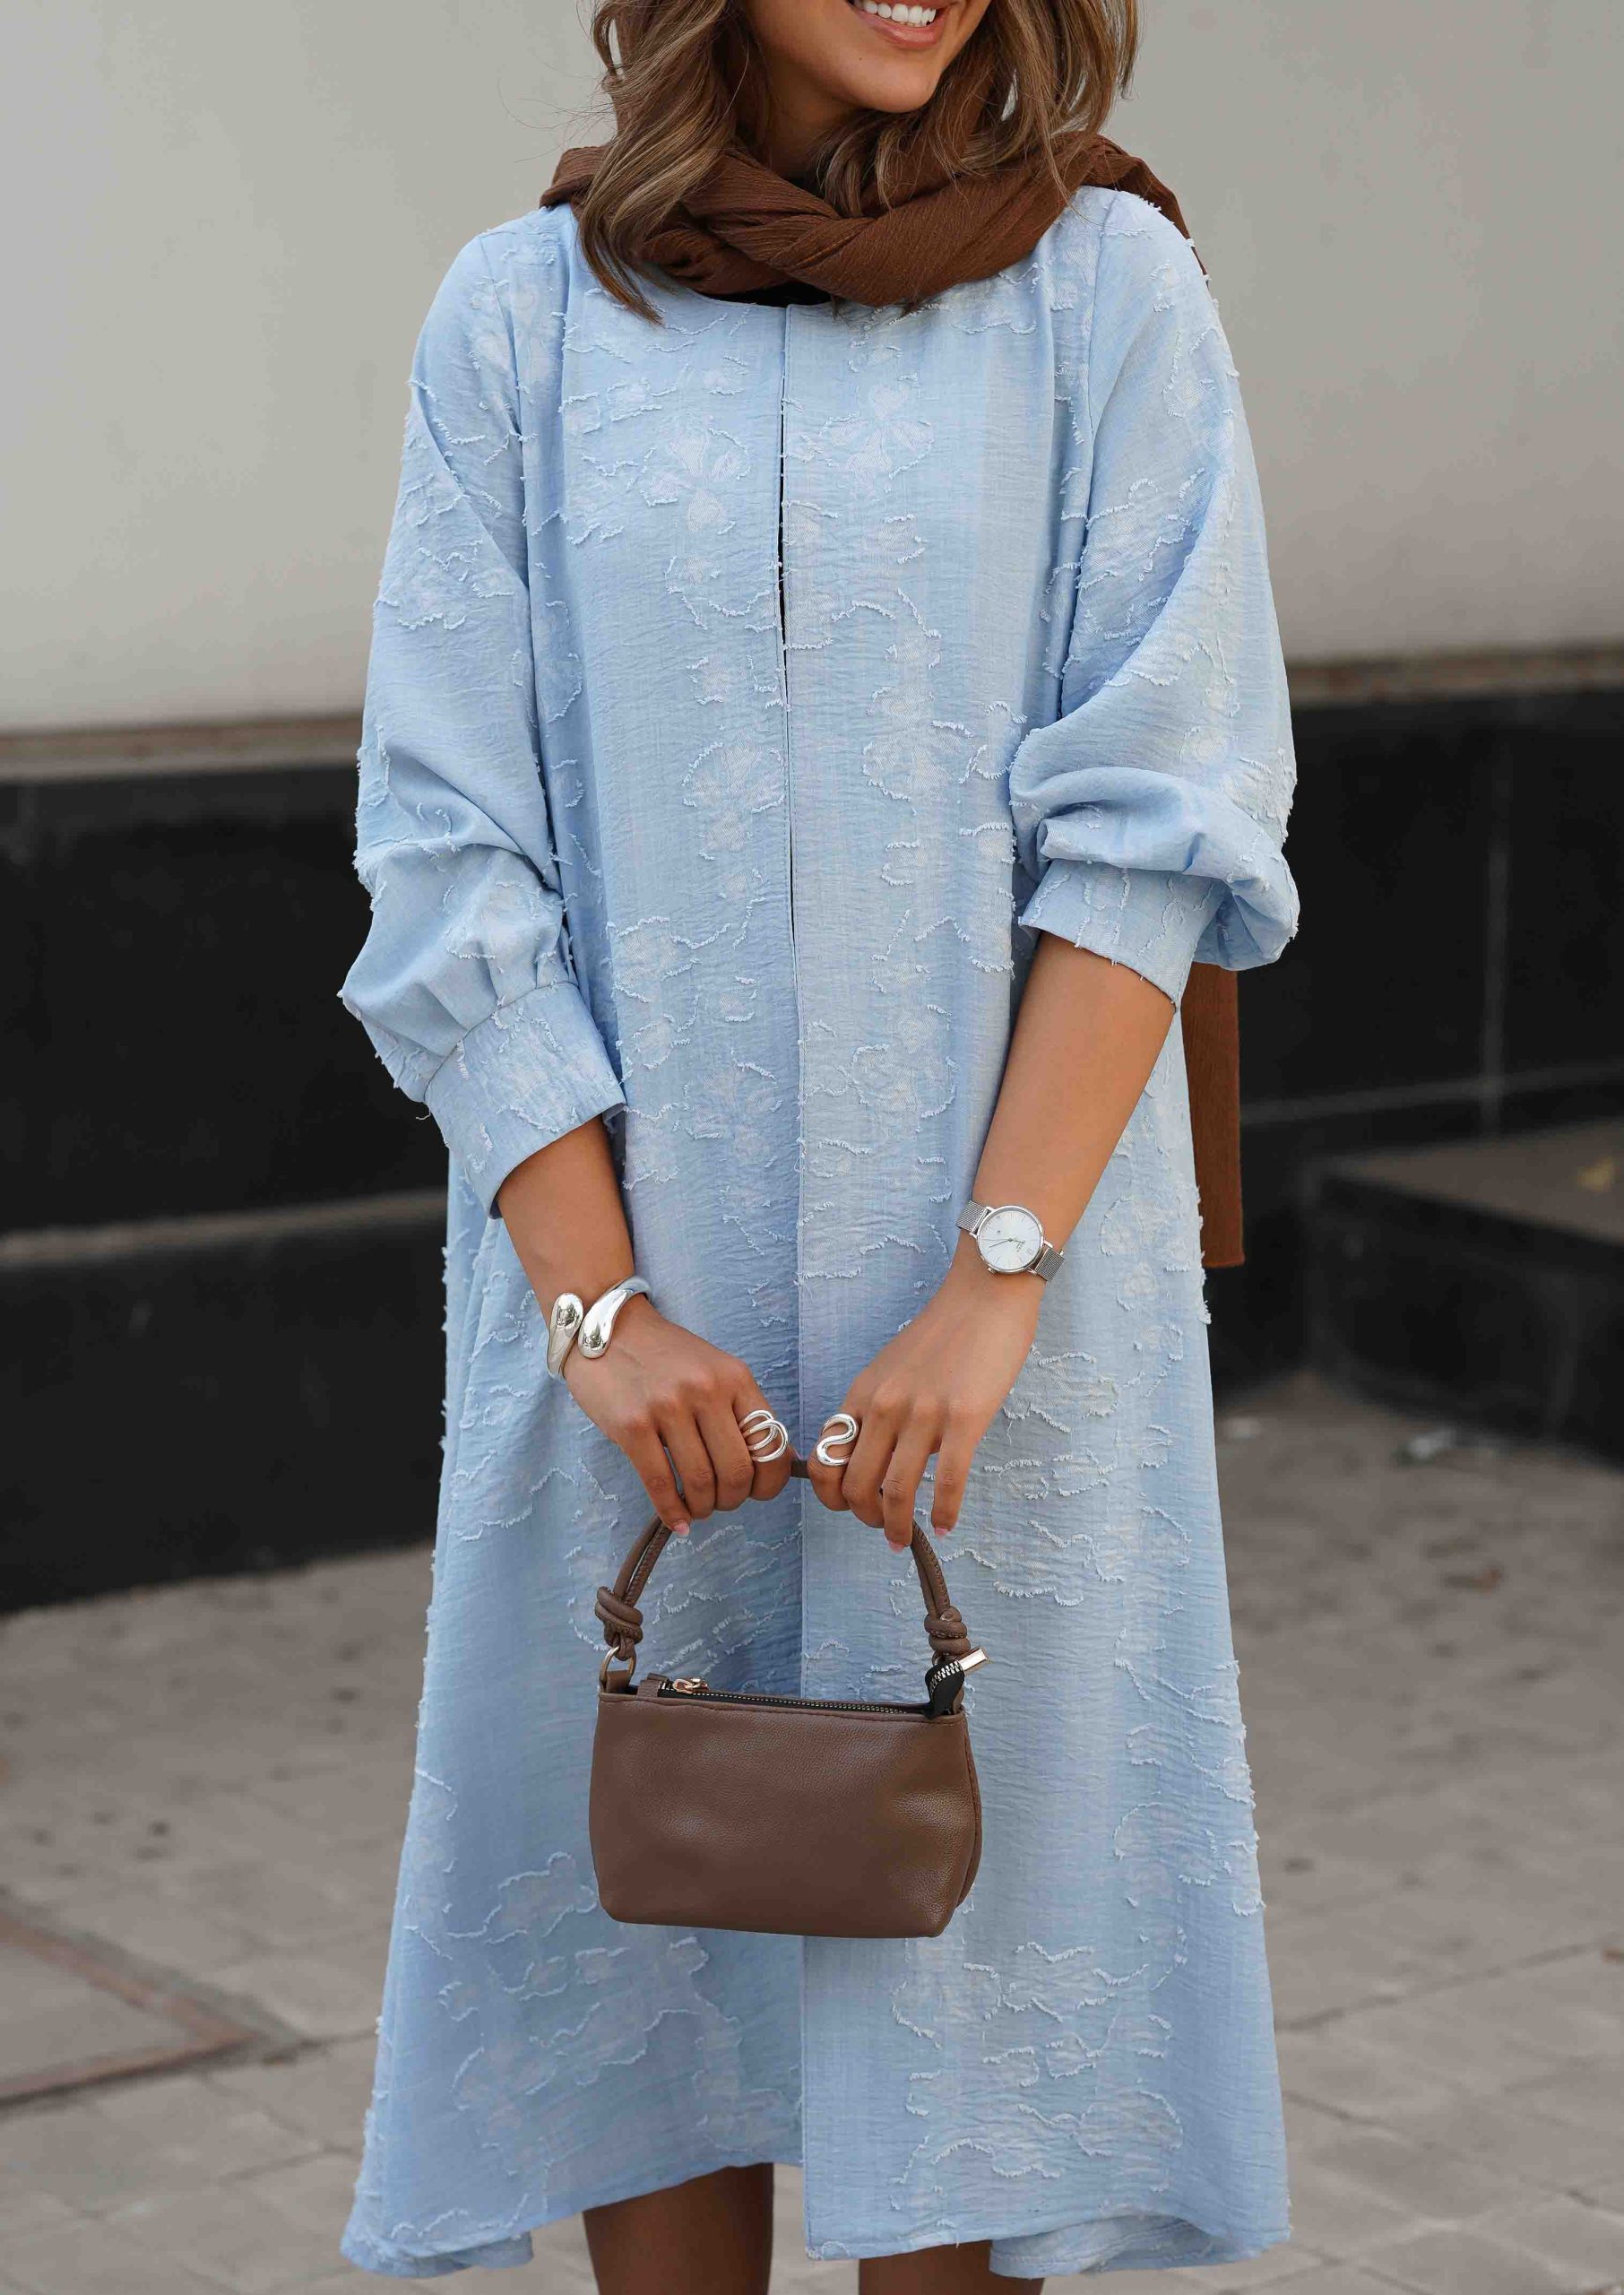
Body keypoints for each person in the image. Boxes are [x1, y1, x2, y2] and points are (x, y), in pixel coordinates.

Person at [338, 0, 1298, 2284]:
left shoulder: (1108, 291)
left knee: (956, 1982)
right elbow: (451, 846)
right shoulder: (526, 315)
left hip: (998, 1330)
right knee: (646, 1931)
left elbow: (1159, 818)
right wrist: (597, 1303)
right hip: (623, 1312)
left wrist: (992, 1283)